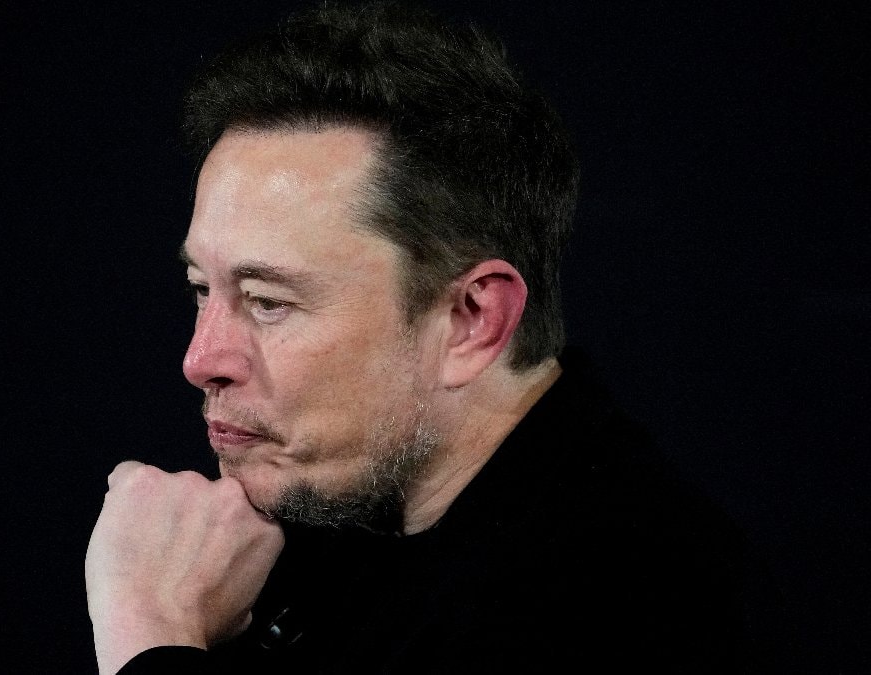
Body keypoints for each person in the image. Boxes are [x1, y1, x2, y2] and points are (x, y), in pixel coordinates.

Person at [85, 3, 776, 672]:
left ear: (472, 319)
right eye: (201, 289)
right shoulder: (324, 513)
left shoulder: (634, 608)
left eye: (269, 302)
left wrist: (152, 627)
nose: (200, 359)